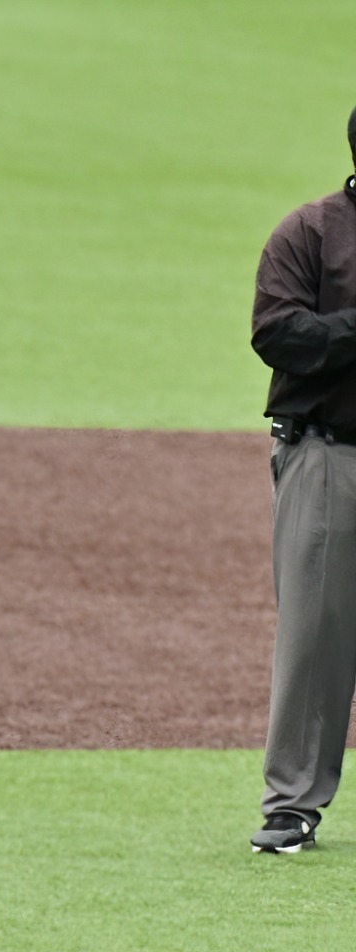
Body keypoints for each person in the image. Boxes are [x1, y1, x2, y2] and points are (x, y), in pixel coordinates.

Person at [251, 107, 356, 854]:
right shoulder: (313, 231)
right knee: (315, 633)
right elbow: (276, 330)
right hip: (330, 457)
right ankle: (292, 803)